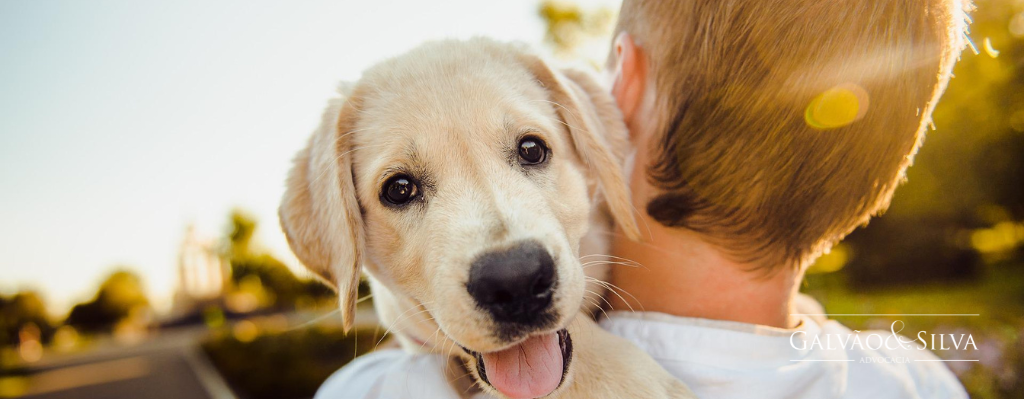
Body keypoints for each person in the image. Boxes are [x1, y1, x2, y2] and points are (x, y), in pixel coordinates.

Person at [316, 0, 972, 397]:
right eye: (402, 188)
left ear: (622, 85)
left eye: (531, 151)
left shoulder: (373, 390)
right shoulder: (920, 381)